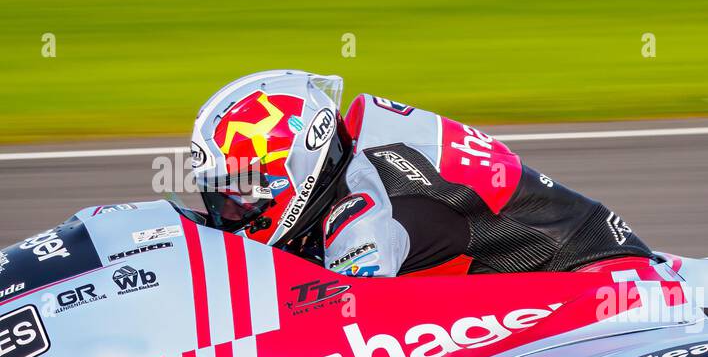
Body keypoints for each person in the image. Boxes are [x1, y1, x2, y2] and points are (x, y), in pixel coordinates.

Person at [189, 70, 655, 278]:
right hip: (546, 264)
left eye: (243, 195)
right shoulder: (354, 150)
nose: (230, 211)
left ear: (301, 168)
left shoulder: (364, 215)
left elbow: (340, 330)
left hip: (595, 287)